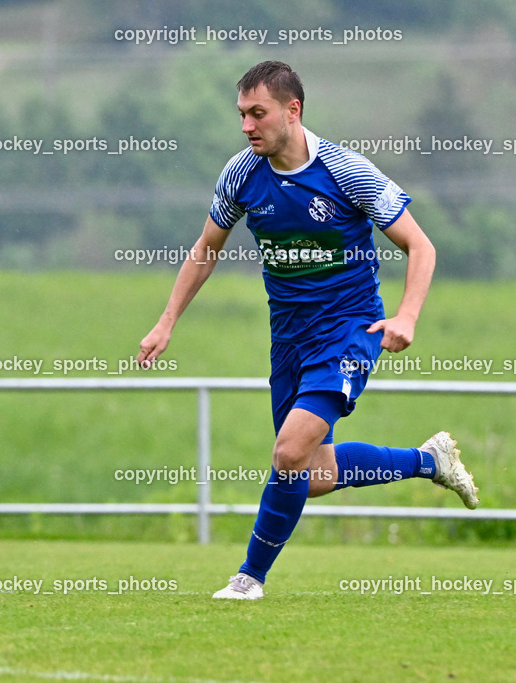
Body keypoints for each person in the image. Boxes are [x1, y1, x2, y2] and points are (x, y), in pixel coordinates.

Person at [137, 61, 478, 600]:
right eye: (242, 115)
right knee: (311, 474)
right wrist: (166, 321)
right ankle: (428, 461)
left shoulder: (345, 171)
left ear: (292, 111)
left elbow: (421, 245)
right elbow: (206, 249)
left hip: (349, 330)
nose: (247, 126)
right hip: (289, 339)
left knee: (289, 453)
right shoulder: (241, 174)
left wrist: (407, 317)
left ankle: (248, 578)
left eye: (258, 113)